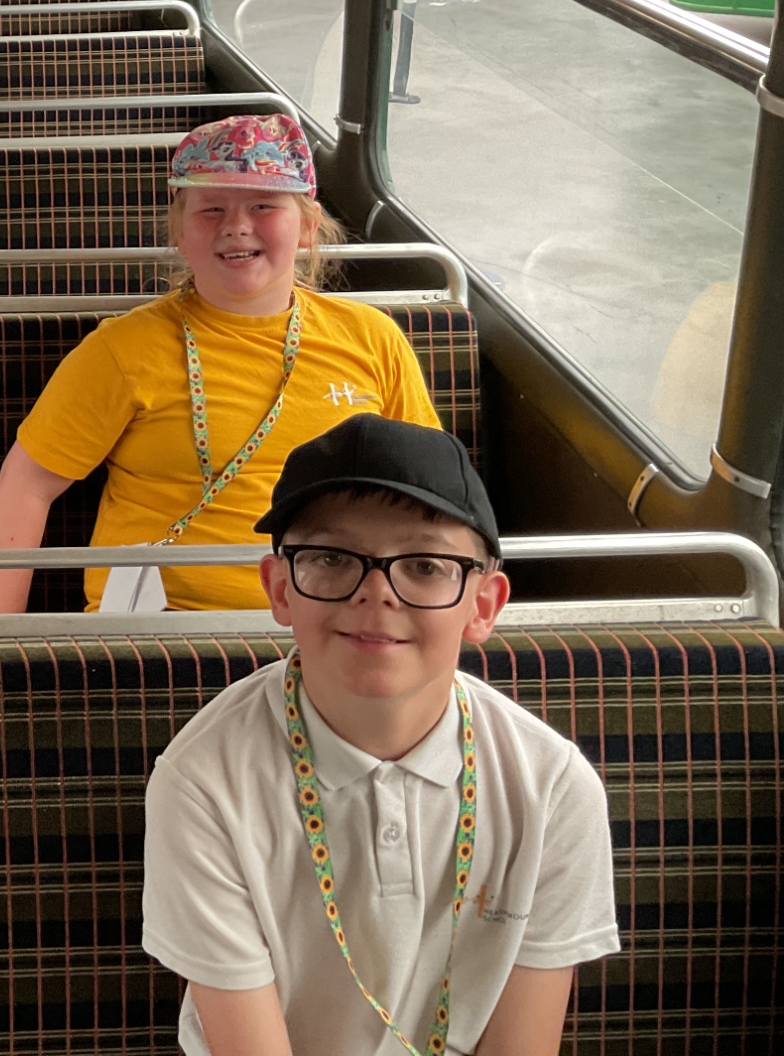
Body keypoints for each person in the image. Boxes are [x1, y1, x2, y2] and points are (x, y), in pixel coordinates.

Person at [141, 415, 620, 1054]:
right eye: (333, 559)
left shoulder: (554, 789)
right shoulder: (203, 780)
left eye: (424, 564)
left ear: (483, 605)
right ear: (280, 589)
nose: (376, 594)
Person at [0, 113, 440, 614]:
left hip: (334, 616)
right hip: (166, 629)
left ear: (306, 227)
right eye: (211, 209)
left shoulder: (372, 339)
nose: (236, 227)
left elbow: (427, 497)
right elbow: (27, 487)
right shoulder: (123, 350)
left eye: (263, 205)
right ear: (179, 234)